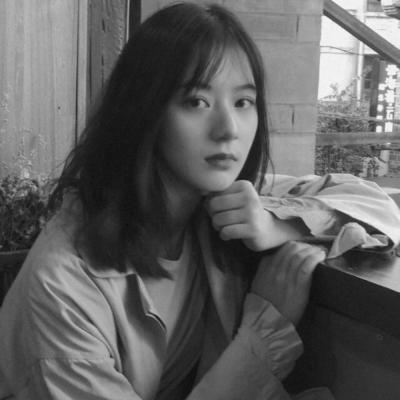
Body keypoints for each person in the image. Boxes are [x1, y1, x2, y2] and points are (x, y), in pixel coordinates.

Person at [1, 3, 399, 400]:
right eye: (196, 102)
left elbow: (377, 204)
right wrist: (264, 331)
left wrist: (276, 224)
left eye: (243, 102)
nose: (228, 129)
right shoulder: (62, 288)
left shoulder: (213, 199)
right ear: (142, 110)